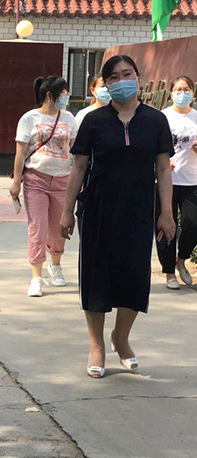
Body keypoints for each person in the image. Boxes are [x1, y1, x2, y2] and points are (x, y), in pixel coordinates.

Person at [60, 55, 175, 379]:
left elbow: (163, 168)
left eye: (127, 74)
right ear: (106, 83)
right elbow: (78, 167)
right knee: (96, 276)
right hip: (98, 208)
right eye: (113, 77)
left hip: (139, 209)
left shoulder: (155, 121)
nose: (121, 81)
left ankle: (120, 338)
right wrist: (67, 212)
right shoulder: (94, 121)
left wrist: (167, 213)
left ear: (137, 77)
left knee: (134, 276)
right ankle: (96, 345)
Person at [10, 76, 77, 297]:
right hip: (36, 180)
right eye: (63, 93)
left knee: (59, 228)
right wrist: (16, 182)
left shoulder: (69, 118)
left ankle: (55, 265)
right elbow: (20, 153)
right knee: (37, 228)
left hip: (63, 180)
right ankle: (36, 277)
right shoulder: (29, 118)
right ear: (50, 95)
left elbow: (75, 152)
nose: (66, 97)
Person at [157, 75, 197, 290]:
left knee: (193, 224)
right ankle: (169, 272)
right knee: (165, 226)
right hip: (167, 181)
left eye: (187, 89)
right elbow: (151, 147)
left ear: (193, 93)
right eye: (178, 90)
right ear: (171, 93)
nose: (183, 93)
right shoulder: (162, 117)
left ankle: (181, 261)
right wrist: (161, 162)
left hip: (192, 180)